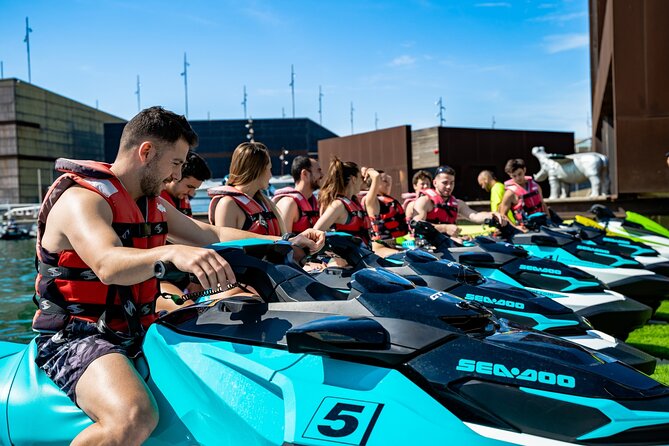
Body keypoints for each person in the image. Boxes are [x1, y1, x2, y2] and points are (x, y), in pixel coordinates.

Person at [32, 106, 324, 445]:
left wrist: (287, 241)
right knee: (134, 417)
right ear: (147, 152)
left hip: (136, 328)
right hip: (75, 336)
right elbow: (107, 263)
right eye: (175, 163)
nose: (176, 175)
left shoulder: (149, 202)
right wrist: (171, 251)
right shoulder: (82, 199)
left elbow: (210, 234)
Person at [208, 142, 285, 236]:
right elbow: (225, 247)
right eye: (269, 169)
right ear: (258, 171)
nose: (270, 175)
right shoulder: (228, 205)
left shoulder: (265, 203)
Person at [412, 165, 504, 241]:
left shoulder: (457, 203)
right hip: (427, 249)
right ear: (435, 183)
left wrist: (492, 215)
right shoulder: (424, 201)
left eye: (452, 183)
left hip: (447, 245)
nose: (449, 186)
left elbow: (475, 216)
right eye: (445, 183)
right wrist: (445, 228)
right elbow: (417, 226)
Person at [313, 158, 372, 246]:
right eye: (361, 177)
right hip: (347, 259)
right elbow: (315, 231)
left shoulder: (353, 201)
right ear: (353, 179)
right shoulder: (338, 205)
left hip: (362, 257)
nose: (362, 181)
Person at [361, 169, 409, 256]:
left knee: (422, 252)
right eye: (384, 181)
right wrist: (367, 170)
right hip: (380, 245)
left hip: (399, 241)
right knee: (406, 257)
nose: (388, 183)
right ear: (375, 183)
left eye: (389, 180)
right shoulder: (372, 201)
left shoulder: (389, 200)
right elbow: (375, 176)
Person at [273, 156, 323, 233]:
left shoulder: (314, 203)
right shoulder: (288, 203)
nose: (322, 175)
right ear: (305, 174)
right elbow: (282, 242)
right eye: (318, 171)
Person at [160, 150, 212, 217]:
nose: (191, 193)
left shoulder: (182, 199)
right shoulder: (152, 199)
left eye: (195, 188)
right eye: (189, 186)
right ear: (176, 176)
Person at [498, 158, 548, 226]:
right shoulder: (510, 194)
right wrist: (515, 228)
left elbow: (543, 205)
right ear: (510, 175)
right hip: (524, 229)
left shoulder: (536, 187)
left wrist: (549, 222)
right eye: (514, 176)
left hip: (542, 224)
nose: (518, 178)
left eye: (519, 174)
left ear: (524, 170)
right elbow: (502, 214)